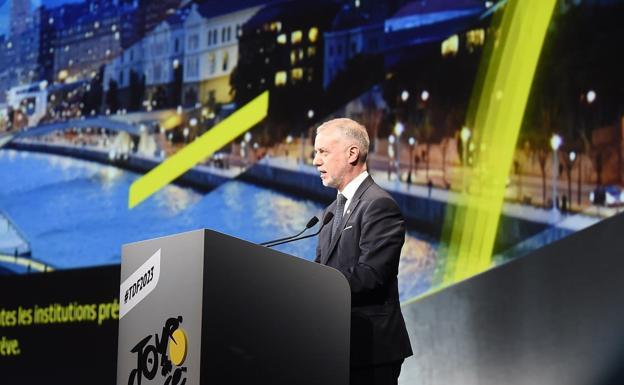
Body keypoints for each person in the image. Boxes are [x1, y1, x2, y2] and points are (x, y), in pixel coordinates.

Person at [312, 118, 412, 385]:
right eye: (315, 152)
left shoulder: (379, 205)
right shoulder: (330, 212)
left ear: (352, 154)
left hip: (371, 349)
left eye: (323, 152)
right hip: (335, 347)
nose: (315, 161)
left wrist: (316, 285)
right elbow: (320, 268)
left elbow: (372, 274)